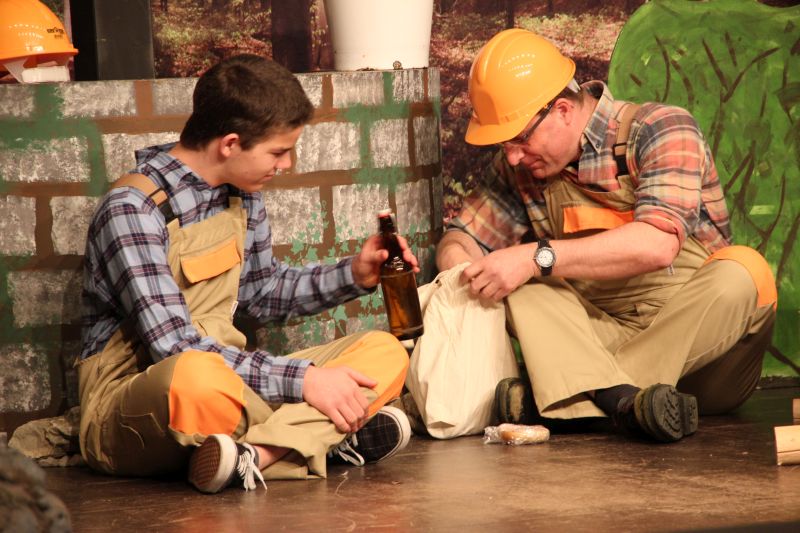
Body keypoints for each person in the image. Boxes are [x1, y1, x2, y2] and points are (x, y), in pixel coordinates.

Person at [77, 54, 416, 494]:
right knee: (197, 376)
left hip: (233, 378)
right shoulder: (132, 210)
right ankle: (321, 439)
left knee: (384, 352)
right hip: (145, 396)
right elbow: (173, 347)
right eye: (278, 151)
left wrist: (354, 274)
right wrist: (304, 380)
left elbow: (262, 293)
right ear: (230, 144)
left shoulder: (241, 193)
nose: (287, 164)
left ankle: (257, 454)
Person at [436, 29, 777, 443]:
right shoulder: (520, 168)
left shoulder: (661, 128)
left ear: (563, 110)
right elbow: (459, 239)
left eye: (520, 139)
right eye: (505, 145)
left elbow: (657, 245)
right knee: (519, 282)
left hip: (705, 359)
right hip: (598, 338)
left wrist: (536, 257)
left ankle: (571, 401)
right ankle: (622, 404)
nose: (512, 157)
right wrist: (469, 272)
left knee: (744, 272)